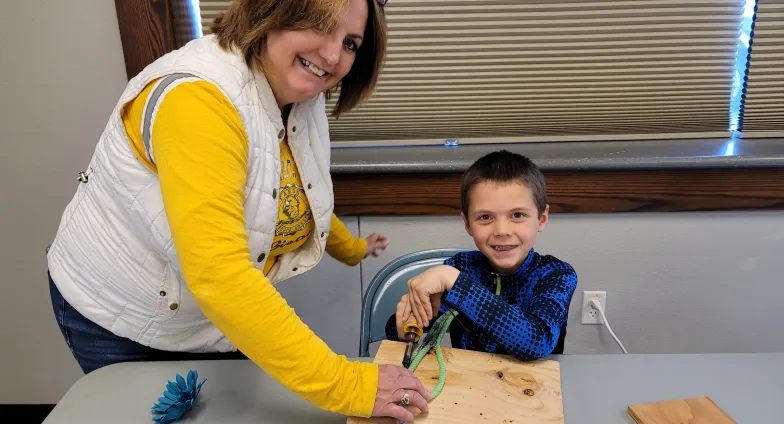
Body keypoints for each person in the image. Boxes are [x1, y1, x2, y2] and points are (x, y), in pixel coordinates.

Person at [45, 0, 430, 421]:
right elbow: (221, 276)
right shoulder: (198, 102)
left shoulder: (298, 91)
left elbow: (295, 193)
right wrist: (346, 386)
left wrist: (352, 248)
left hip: (210, 321)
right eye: (320, 25)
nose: (334, 56)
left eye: (352, 43)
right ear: (271, 11)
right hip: (120, 314)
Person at [386, 150, 578, 361]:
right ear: (467, 224)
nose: (502, 231)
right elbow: (410, 326)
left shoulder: (556, 275)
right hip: (472, 385)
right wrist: (402, 325)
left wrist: (455, 283)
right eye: (485, 217)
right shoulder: (461, 268)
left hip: (538, 387)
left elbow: (536, 342)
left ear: (541, 219)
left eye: (518, 215)